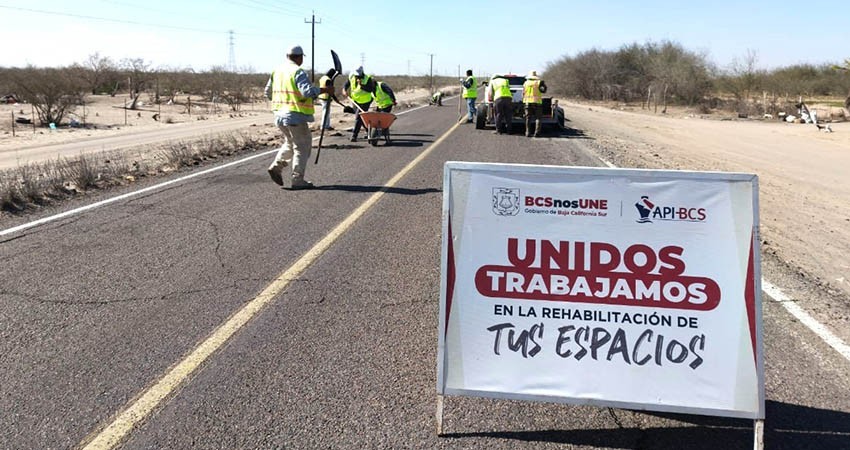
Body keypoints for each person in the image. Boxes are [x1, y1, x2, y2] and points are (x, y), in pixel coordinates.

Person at [264, 45, 334, 190]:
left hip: (279, 115)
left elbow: (268, 92)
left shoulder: (277, 71)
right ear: (300, 57)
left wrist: (283, 100)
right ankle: (298, 179)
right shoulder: (298, 72)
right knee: (302, 147)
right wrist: (325, 90)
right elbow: (307, 92)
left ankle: (276, 166)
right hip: (295, 116)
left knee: (290, 143)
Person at [342, 66, 373, 142]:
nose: (357, 76)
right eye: (356, 75)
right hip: (355, 100)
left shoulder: (367, 78)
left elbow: (371, 89)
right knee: (361, 118)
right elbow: (346, 84)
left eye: (358, 75)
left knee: (358, 117)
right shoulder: (352, 76)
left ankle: (354, 136)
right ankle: (370, 132)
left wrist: (362, 85)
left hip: (365, 101)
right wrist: (344, 90)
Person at [523, 70, 548, 137]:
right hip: (537, 102)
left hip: (528, 102)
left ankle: (527, 132)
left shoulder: (526, 83)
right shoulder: (539, 82)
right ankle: (537, 133)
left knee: (528, 118)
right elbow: (544, 90)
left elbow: (523, 92)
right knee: (538, 118)